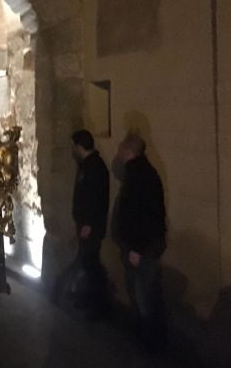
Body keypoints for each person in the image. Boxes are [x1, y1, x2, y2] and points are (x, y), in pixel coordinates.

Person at [111, 132, 167, 349]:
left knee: (143, 293)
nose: (118, 154)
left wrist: (136, 248)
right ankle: (148, 335)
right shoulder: (141, 173)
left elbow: (142, 215)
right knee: (142, 291)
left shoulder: (139, 176)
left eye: (120, 150)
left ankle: (150, 340)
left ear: (129, 152)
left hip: (141, 247)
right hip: (143, 244)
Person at [70, 129, 110, 318]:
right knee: (89, 263)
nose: (72, 150)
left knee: (91, 264)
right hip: (87, 224)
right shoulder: (88, 165)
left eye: (73, 146)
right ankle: (92, 299)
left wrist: (88, 224)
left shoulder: (95, 167)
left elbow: (97, 199)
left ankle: (98, 304)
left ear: (79, 146)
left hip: (90, 226)